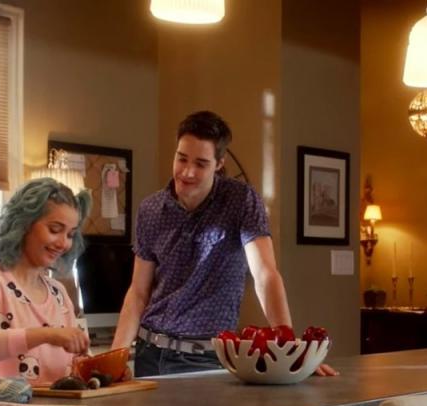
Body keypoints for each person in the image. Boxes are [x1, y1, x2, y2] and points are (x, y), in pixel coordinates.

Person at [111, 110, 337, 377]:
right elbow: (138, 293)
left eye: (201, 163)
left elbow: (265, 274)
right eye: (181, 158)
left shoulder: (241, 201)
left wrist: (290, 352)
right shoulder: (150, 209)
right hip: (150, 354)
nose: (187, 172)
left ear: (219, 163)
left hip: (209, 358)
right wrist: (115, 358)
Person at [0, 178, 92, 385]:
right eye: (55, 229)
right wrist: (47, 335)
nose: (64, 243)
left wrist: (103, 372)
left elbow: (76, 363)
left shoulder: (58, 293)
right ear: (23, 225)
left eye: (70, 234)